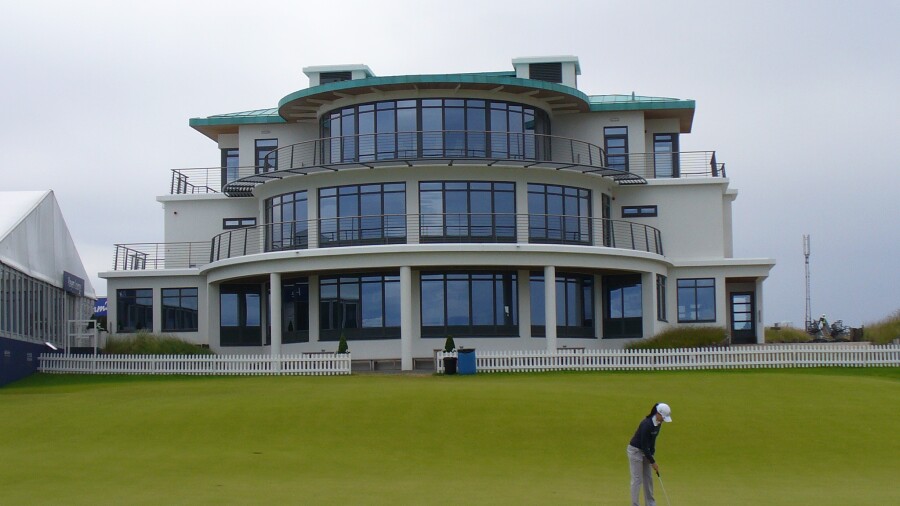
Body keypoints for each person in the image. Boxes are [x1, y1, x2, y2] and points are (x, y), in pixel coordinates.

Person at [627, 402, 672, 506]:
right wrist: (653, 462)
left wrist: (652, 456)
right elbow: (644, 445)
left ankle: (650, 504)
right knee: (637, 479)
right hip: (635, 451)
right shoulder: (646, 424)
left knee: (648, 478)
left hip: (645, 451)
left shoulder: (659, 424)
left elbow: (652, 442)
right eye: (663, 417)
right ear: (658, 413)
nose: (663, 420)